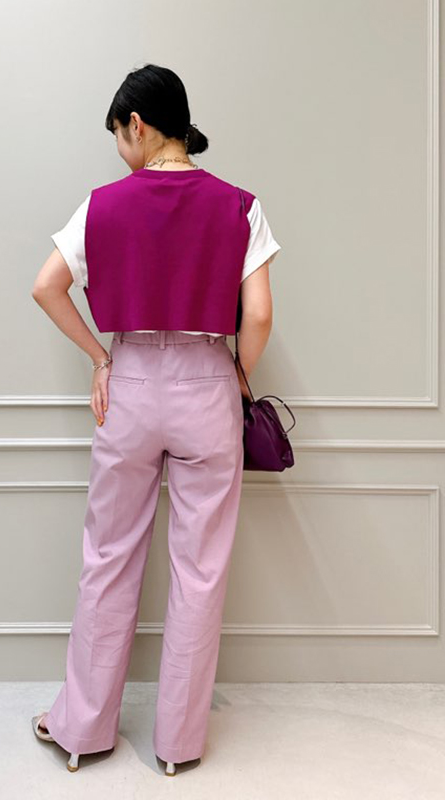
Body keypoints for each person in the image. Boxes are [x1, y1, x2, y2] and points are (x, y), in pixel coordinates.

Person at [30, 63, 281, 776]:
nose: (120, 149)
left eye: (118, 134)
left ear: (137, 125)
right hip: (207, 384)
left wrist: (99, 359)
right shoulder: (240, 206)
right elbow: (259, 315)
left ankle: (81, 732)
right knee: (200, 571)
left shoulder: (101, 205)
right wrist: (236, 376)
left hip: (132, 383)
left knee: (108, 558)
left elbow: (46, 286)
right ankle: (177, 747)